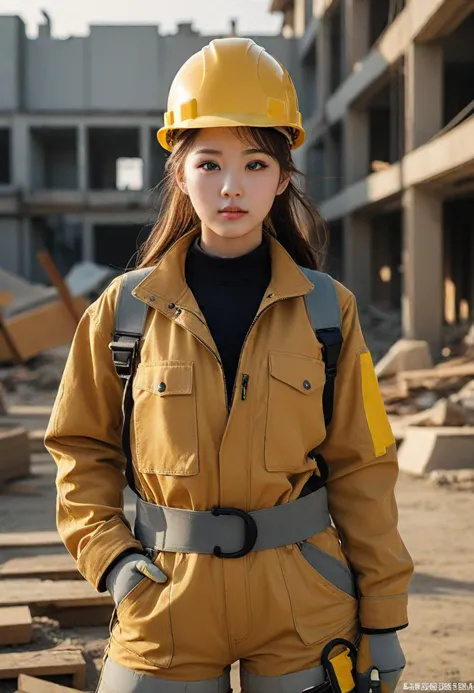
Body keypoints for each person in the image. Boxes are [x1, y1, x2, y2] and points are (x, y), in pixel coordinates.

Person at [44, 37, 414, 693]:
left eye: (254, 163)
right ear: (179, 173)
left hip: (302, 600)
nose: (232, 186)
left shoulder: (330, 311)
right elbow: (79, 447)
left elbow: (364, 464)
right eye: (209, 163)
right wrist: (114, 561)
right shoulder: (125, 311)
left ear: (282, 176)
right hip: (165, 603)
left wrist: (382, 612)